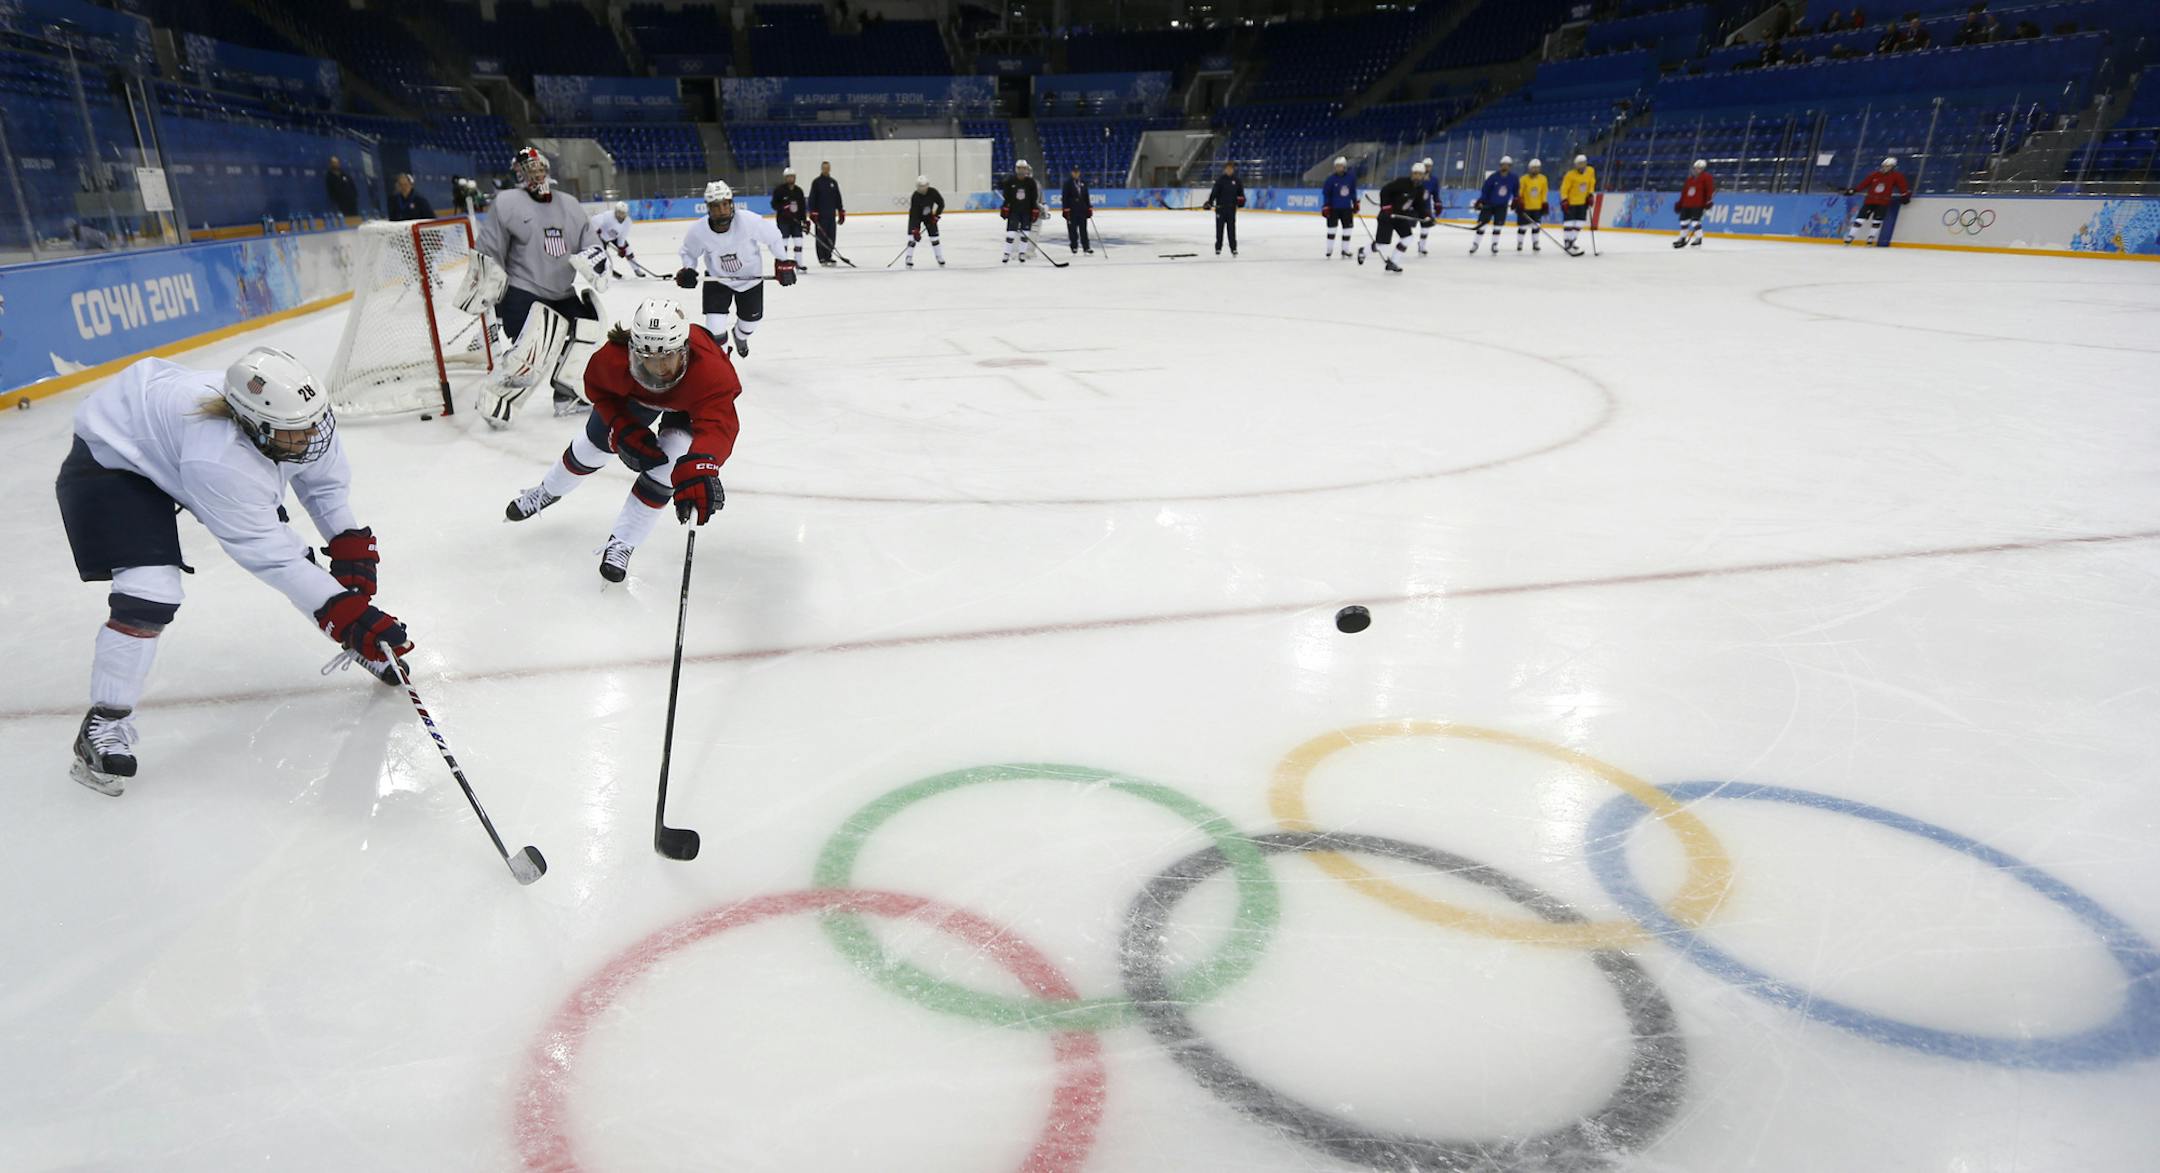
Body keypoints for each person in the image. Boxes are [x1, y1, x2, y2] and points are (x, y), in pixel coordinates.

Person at [56, 349, 412, 794]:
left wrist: (349, 546)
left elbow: (324, 488)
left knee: (306, 571)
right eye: (294, 433)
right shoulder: (219, 459)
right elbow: (271, 555)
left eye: (313, 424)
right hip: (113, 457)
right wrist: (345, 611)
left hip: (165, 437)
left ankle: (355, 639)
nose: (309, 438)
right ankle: (104, 724)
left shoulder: (299, 418)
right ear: (255, 428)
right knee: (150, 592)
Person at [502, 300, 739, 583]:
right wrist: (621, 427)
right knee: (591, 448)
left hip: (688, 406)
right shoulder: (612, 359)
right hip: (636, 397)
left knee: (668, 467)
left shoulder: (711, 372)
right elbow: (598, 390)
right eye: (647, 358)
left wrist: (702, 464)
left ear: (685, 349)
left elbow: (718, 425)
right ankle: (547, 491)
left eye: (667, 357)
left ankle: (623, 541)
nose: (659, 368)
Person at [461, 146, 608, 429]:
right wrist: (490, 294)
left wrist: (595, 260)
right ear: (519, 173)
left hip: (562, 292)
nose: (537, 174)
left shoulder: (569, 204)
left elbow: (591, 243)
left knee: (588, 327)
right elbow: (491, 249)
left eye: (540, 168)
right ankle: (498, 397)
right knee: (538, 341)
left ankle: (568, 394)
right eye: (530, 169)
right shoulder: (507, 202)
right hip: (524, 292)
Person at [674, 180, 795, 358]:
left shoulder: (749, 221)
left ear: (731, 204)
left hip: (750, 280)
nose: (722, 210)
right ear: (708, 208)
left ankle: (739, 336)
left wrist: (783, 262)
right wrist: (689, 269)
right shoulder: (698, 231)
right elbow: (688, 253)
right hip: (718, 279)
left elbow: (774, 237)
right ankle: (723, 363)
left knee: (750, 323)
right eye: (716, 206)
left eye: (725, 204)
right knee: (714, 327)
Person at [1360, 167, 1424, 273]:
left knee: (1407, 238)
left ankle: (1393, 262)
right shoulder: (1401, 182)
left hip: (1400, 217)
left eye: (1420, 174)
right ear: (1412, 173)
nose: (1417, 176)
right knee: (1382, 245)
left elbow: (1419, 205)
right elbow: (1385, 191)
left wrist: (1427, 216)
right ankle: (1363, 251)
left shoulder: (1420, 189)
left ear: (1422, 176)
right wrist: (1386, 206)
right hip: (1387, 216)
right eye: (1415, 173)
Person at [1844, 156, 1911, 246]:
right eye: (1884, 166)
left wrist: (1905, 195)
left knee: (1877, 221)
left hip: (1883, 202)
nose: (1885, 168)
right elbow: (1864, 184)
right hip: (1870, 201)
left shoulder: (1896, 176)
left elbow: (1902, 186)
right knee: (1860, 219)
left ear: (1893, 167)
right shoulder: (1874, 175)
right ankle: (1851, 236)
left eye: (1888, 166)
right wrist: (1854, 190)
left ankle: (1870, 238)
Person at [1473, 156, 1518, 255]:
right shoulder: (1493, 177)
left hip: (1502, 206)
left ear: (1510, 166)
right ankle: (1475, 244)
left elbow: (1516, 191)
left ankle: (1494, 244)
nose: (1505, 167)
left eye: (1507, 165)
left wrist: (1516, 199)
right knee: (1482, 225)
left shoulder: (1513, 178)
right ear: (1500, 165)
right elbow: (1485, 190)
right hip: (1489, 205)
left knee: (1498, 226)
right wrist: (1481, 200)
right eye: (1503, 165)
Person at [999, 160, 1042, 264]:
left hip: (1026, 212)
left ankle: (1022, 253)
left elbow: (1034, 197)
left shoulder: (1031, 182)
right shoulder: (1010, 181)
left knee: (1025, 234)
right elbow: (1006, 197)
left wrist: (1035, 209)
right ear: (1016, 169)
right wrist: (1005, 207)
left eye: (1023, 168)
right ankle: (1006, 253)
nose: (1022, 170)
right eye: (1019, 168)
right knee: (1011, 233)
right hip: (1014, 212)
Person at [1202, 160, 1244, 257]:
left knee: (1231, 230)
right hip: (1220, 209)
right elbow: (1214, 193)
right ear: (1225, 169)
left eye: (1231, 169)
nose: (1229, 170)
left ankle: (1233, 248)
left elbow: (1241, 194)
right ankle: (1218, 248)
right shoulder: (1220, 180)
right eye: (1227, 169)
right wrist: (1210, 202)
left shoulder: (1237, 181)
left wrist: (1241, 202)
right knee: (1219, 230)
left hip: (1231, 210)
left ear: (1233, 170)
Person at [770, 167, 809, 271]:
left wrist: (804, 221)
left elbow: (802, 207)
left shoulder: (799, 191)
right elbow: (774, 204)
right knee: (784, 244)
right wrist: (783, 208)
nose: (791, 178)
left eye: (792, 176)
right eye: (789, 177)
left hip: (796, 222)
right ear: (785, 178)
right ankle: (783, 263)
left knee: (798, 242)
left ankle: (799, 264)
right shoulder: (779, 190)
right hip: (783, 222)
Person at [1320, 156, 1357, 259]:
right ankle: (1329, 249)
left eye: (1340, 166)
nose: (1338, 168)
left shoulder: (1350, 178)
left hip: (1346, 208)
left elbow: (1353, 191)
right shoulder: (1330, 179)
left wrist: (1355, 202)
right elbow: (1326, 194)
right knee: (1332, 229)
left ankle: (1345, 250)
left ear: (1344, 167)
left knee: (1347, 229)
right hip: (1333, 208)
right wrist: (1326, 206)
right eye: (1336, 166)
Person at [808, 161, 845, 265]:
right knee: (821, 237)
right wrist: (813, 212)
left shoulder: (833, 182)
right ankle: (822, 258)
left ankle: (828, 256)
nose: (826, 170)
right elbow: (812, 199)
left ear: (830, 169)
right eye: (824, 168)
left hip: (831, 215)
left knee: (831, 236)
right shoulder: (816, 182)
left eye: (828, 168)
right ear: (821, 169)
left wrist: (840, 210)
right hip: (821, 216)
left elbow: (838, 198)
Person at [1674, 158, 1716, 248]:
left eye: (1699, 168)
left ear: (1703, 169)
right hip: (1687, 204)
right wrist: (1680, 203)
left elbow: (1710, 190)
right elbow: (1684, 193)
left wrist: (1708, 201)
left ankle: (1698, 239)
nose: (1696, 169)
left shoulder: (1707, 177)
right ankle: (1682, 237)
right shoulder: (1689, 179)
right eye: (1695, 168)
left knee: (1695, 222)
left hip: (1698, 204)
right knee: (1683, 222)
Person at [905, 175, 946, 267]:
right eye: (920, 186)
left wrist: (936, 215)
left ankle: (939, 256)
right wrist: (915, 229)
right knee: (912, 238)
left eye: (924, 186)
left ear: (927, 185)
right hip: (916, 217)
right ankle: (908, 257)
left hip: (929, 216)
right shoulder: (915, 196)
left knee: (934, 237)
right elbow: (914, 214)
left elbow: (941, 203)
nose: (922, 189)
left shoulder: (933, 192)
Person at [1559, 154, 1596, 255]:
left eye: (1583, 163)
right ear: (1575, 165)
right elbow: (1564, 188)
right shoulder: (1570, 175)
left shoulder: (1590, 171)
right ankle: (1567, 243)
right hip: (1571, 202)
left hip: (1583, 202)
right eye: (1579, 164)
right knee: (1569, 223)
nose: (1581, 166)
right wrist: (1564, 200)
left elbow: (1591, 183)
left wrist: (1590, 195)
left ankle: (1572, 241)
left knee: (1579, 223)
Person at [589, 200, 637, 278]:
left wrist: (621, 248)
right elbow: (593, 221)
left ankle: (636, 269)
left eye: (623, 213)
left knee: (627, 249)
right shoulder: (607, 216)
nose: (621, 215)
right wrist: (595, 230)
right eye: (619, 212)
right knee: (602, 256)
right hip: (601, 238)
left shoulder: (628, 222)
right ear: (615, 211)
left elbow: (622, 236)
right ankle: (608, 271)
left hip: (615, 237)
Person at [1514, 158, 1550, 252]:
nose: (1535, 170)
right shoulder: (1523, 179)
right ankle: (1520, 243)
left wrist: (1544, 203)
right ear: (1529, 168)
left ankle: (1535, 243)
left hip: (1537, 207)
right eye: (1533, 168)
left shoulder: (1543, 178)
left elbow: (1544, 192)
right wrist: (1519, 201)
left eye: (1537, 168)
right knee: (1523, 227)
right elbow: (1520, 192)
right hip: (1526, 207)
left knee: (1536, 226)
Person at [1060, 165, 1093, 255]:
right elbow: (1064, 197)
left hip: (1082, 210)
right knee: (1073, 230)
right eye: (1074, 172)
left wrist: (1089, 207)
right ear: (1072, 173)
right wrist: (1065, 209)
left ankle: (1086, 247)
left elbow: (1086, 196)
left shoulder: (1083, 182)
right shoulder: (1067, 183)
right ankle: (1074, 246)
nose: (1076, 173)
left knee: (1083, 229)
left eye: (1077, 172)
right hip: (1072, 211)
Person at [1415, 157, 1442, 255]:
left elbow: (1436, 194)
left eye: (1429, 166)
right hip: (1413, 206)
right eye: (1426, 166)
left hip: (1425, 207)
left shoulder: (1434, 180)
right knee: (1406, 226)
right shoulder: (1416, 177)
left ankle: (1422, 246)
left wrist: (1437, 203)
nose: (1428, 168)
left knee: (1425, 227)